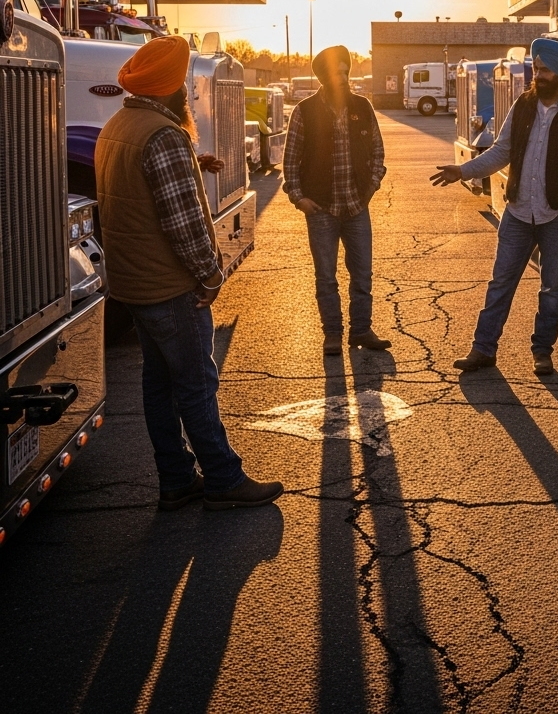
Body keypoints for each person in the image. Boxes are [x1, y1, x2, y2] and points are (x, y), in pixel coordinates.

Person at [95, 35, 282, 511]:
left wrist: (193, 162)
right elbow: (183, 225)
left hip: (134, 286)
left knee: (158, 385)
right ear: (169, 89)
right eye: (182, 86)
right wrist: (211, 276)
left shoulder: (117, 125)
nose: (187, 94)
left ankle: (176, 479)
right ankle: (223, 477)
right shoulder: (165, 136)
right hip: (170, 288)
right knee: (197, 384)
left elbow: (137, 185)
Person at [431, 39, 558, 375]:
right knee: (501, 283)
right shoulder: (523, 104)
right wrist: (463, 171)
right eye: (535, 68)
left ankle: (542, 352)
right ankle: (482, 350)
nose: (536, 75)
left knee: (552, 288)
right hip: (517, 213)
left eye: (543, 70)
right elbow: (501, 151)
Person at [283, 44, 390, 355]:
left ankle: (361, 330)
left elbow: (377, 152)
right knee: (325, 276)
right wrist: (298, 197)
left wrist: (370, 188)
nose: (343, 77)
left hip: (357, 206)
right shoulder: (304, 111)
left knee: (363, 273)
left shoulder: (363, 107)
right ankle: (332, 334)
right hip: (321, 209)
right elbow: (290, 161)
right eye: (337, 73)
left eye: (346, 71)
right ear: (324, 77)